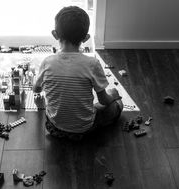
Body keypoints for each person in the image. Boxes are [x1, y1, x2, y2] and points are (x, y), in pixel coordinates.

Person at [33, 6, 123, 139]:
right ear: (86, 38)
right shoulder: (92, 64)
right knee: (116, 102)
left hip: (54, 127)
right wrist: (114, 96)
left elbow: (36, 89)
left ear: (55, 34)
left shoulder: (47, 62)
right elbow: (103, 101)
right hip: (85, 129)